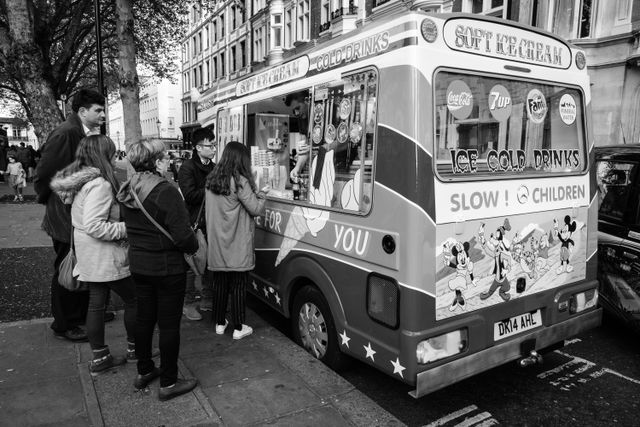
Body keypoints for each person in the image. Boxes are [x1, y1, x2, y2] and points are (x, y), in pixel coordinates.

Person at [116, 139, 199, 401]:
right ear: (155, 161)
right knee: (169, 325)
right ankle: (169, 382)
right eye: (164, 156)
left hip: (139, 265)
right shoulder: (165, 191)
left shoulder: (128, 188)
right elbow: (183, 237)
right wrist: (194, 242)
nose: (167, 159)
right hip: (167, 267)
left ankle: (144, 370)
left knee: (144, 319)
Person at [50, 135, 136, 373]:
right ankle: (135, 349)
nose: (115, 156)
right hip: (104, 255)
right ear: (103, 155)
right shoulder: (100, 185)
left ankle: (100, 357)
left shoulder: (80, 182)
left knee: (96, 304)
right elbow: (95, 225)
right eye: (112, 152)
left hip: (90, 254)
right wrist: (127, 229)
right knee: (135, 299)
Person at [34, 88, 105, 342]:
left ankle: (82, 314)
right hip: (64, 213)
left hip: (72, 211)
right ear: (82, 111)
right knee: (67, 264)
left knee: (79, 261)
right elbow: (44, 173)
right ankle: (65, 323)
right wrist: (49, 199)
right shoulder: (67, 132)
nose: (103, 115)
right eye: (98, 110)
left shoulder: (80, 132)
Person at [205, 141, 267, 340]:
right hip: (237, 243)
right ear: (242, 159)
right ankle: (239, 327)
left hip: (217, 242)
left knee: (220, 284)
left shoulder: (212, 179)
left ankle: (220, 323)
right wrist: (263, 195)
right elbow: (256, 209)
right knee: (239, 285)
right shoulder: (239, 180)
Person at [178, 127, 216, 321]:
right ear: (199, 148)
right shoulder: (187, 167)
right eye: (210, 145)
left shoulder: (214, 166)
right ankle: (188, 303)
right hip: (194, 221)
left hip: (211, 221)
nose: (214, 148)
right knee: (191, 265)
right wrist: (211, 187)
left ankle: (208, 298)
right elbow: (190, 195)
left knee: (210, 262)